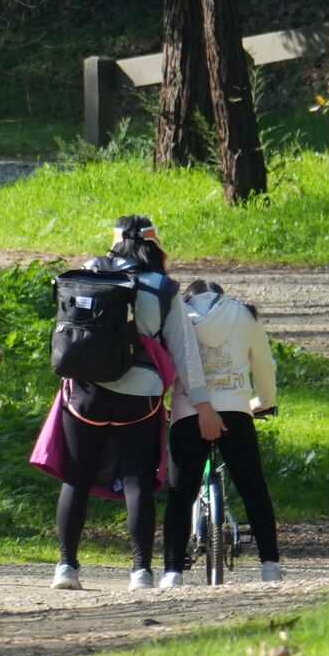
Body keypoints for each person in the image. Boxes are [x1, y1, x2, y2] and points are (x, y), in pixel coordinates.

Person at [42, 213, 183, 589]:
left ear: (115, 242)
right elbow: (183, 353)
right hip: (140, 397)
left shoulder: (88, 272)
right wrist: (197, 402)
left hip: (84, 393)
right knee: (137, 480)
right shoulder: (163, 287)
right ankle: (141, 571)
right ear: (154, 246)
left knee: (76, 477)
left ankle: (66, 567)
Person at [159, 268, 284, 583]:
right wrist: (263, 400)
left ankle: (172, 572)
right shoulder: (243, 315)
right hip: (235, 412)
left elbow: (164, 363)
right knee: (253, 488)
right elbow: (264, 365)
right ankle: (270, 565)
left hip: (188, 413)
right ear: (220, 295)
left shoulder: (176, 317)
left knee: (180, 494)